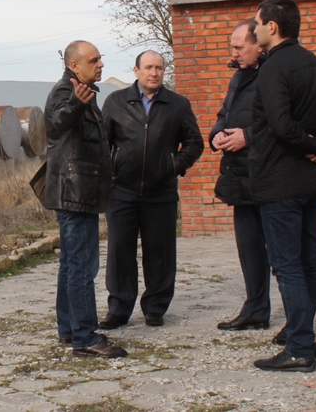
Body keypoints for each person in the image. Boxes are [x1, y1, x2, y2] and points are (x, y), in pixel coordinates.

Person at [249, 0, 316, 372]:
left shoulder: (273, 68)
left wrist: (315, 145)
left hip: (280, 182)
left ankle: (299, 348)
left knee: (288, 265)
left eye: (256, 23)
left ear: (272, 27)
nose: (254, 29)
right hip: (311, 182)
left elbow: (280, 125)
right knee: (315, 259)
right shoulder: (314, 63)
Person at [98, 50, 204, 329]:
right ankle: (118, 309)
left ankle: (155, 307)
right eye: (148, 67)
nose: (153, 73)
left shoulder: (177, 104)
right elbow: (101, 143)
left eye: (159, 67)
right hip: (122, 190)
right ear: (136, 71)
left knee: (160, 253)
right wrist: (112, 169)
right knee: (120, 252)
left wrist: (173, 165)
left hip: (161, 192)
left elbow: (195, 143)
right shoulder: (116, 102)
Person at [40, 40, 127, 358]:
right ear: (74, 65)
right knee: (81, 266)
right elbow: (56, 123)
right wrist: (76, 104)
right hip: (75, 194)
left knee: (71, 265)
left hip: (80, 192)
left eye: (100, 59)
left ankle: (69, 330)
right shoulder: (67, 92)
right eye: (94, 60)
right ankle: (85, 337)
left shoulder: (83, 92)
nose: (100, 64)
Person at [209, 19, 283, 338]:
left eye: (239, 47)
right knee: (249, 249)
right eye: (232, 47)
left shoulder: (273, 74)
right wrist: (216, 135)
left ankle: (297, 318)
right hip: (240, 177)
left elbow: (282, 124)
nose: (234, 53)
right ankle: (255, 310)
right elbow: (223, 115)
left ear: (258, 46)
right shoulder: (238, 77)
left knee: (281, 254)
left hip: (269, 177)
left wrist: (247, 137)